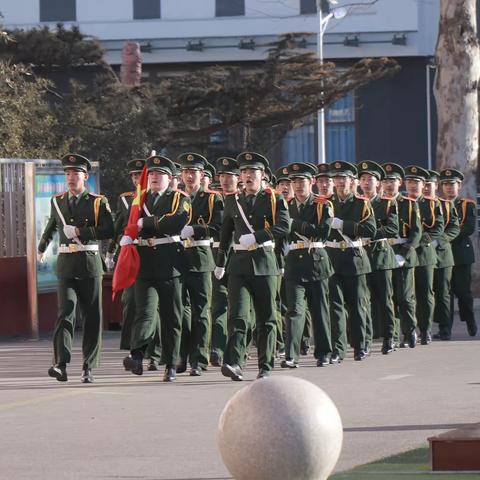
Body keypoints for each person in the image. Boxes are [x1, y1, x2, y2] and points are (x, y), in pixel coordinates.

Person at [38, 154, 114, 383]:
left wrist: (81, 232)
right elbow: (52, 225)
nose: (70, 178)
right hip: (66, 266)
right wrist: (41, 247)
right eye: (67, 173)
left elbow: (109, 230)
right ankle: (61, 364)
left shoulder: (98, 201)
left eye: (75, 173)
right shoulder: (58, 201)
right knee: (65, 312)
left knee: (91, 316)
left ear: (85, 176)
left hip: (90, 264)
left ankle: (88, 366)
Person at [216, 152, 290, 380]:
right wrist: (220, 263)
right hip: (238, 266)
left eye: (252, 172)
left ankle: (265, 366)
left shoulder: (274, 199)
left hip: (265, 264)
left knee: (266, 318)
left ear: (263, 175)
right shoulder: (232, 200)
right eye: (245, 172)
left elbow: (284, 227)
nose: (248, 176)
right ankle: (235, 363)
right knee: (237, 316)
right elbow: (225, 234)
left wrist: (257, 237)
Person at [123, 154, 190, 382]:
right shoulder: (139, 200)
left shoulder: (179, 198)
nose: (154, 177)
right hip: (145, 263)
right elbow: (128, 221)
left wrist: (146, 223)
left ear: (170, 178)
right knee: (145, 312)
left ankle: (171, 363)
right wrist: (127, 235)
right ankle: (137, 354)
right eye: (151, 173)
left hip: (170, 263)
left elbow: (176, 221)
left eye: (159, 174)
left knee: (172, 316)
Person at [280, 162, 334, 369]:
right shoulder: (286, 205)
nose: (298, 185)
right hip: (294, 262)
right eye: (294, 181)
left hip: (316, 260)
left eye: (302, 180)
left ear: (311, 182)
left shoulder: (322, 204)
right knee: (294, 311)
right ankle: (291, 355)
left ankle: (323, 352)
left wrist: (294, 224)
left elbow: (323, 232)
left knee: (320, 310)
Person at [177, 152, 223, 376]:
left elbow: (220, 226)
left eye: (193, 172)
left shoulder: (212, 198)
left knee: (201, 311)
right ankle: (181, 356)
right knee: (180, 311)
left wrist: (195, 229)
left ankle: (199, 359)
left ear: (201, 174)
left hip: (202, 258)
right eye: (185, 171)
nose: (188, 176)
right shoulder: (174, 197)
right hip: (177, 259)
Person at [326, 161, 376, 362]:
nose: (339, 182)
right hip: (332, 259)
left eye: (343, 178)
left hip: (354, 259)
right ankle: (338, 350)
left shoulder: (361, 202)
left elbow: (370, 230)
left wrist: (343, 225)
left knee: (357, 305)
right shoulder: (326, 203)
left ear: (352, 181)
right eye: (336, 178)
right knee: (335, 307)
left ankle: (360, 345)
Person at [357, 161, 399, 354]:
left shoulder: (387, 203)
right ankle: (365, 339)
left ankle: (390, 336)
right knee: (363, 301)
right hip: (360, 256)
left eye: (370, 179)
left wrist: (369, 233)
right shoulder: (355, 203)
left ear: (378, 183)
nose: (366, 183)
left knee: (385, 299)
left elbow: (392, 228)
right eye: (363, 179)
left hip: (381, 255)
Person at [381, 163, 422, 348]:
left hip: (403, 253)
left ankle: (410, 331)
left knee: (405, 297)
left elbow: (416, 232)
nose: (389, 184)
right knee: (388, 297)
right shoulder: (377, 203)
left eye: (393, 180)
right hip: (383, 254)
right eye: (386, 181)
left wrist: (404, 253)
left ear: (400, 183)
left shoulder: (409, 204)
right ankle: (393, 334)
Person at [404, 165, 444, 345]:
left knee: (425, 293)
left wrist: (420, 239)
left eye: (417, 182)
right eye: (410, 182)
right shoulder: (401, 202)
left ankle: (426, 329)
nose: (413, 186)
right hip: (405, 253)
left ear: (424, 185)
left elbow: (439, 228)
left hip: (425, 254)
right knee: (406, 295)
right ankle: (409, 331)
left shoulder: (432, 203)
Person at [210, 156, 240, 367]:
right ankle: (217, 349)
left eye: (229, 175)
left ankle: (238, 349)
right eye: (222, 176)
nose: (225, 179)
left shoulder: (241, 200)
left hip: (239, 256)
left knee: (239, 309)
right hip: (216, 255)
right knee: (218, 305)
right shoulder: (213, 198)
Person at [440, 168, 477, 337]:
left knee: (463, 293)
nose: (448, 187)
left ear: (459, 185)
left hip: (461, 254)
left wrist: (445, 237)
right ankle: (445, 330)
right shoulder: (436, 204)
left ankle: (470, 320)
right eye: (446, 184)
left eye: (452, 184)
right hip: (441, 255)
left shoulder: (467, 205)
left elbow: (468, 228)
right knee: (444, 293)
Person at [425, 170, 460, 340]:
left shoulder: (446, 204)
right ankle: (425, 329)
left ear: (435, 186)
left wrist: (440, 240)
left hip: (442, 256)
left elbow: (454, 227)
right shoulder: (415, 205)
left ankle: (445, 329)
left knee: (443, 293)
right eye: (423, 184)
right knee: (425, 293)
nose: (425, 188)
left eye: (428, 185)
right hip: (423, 256)